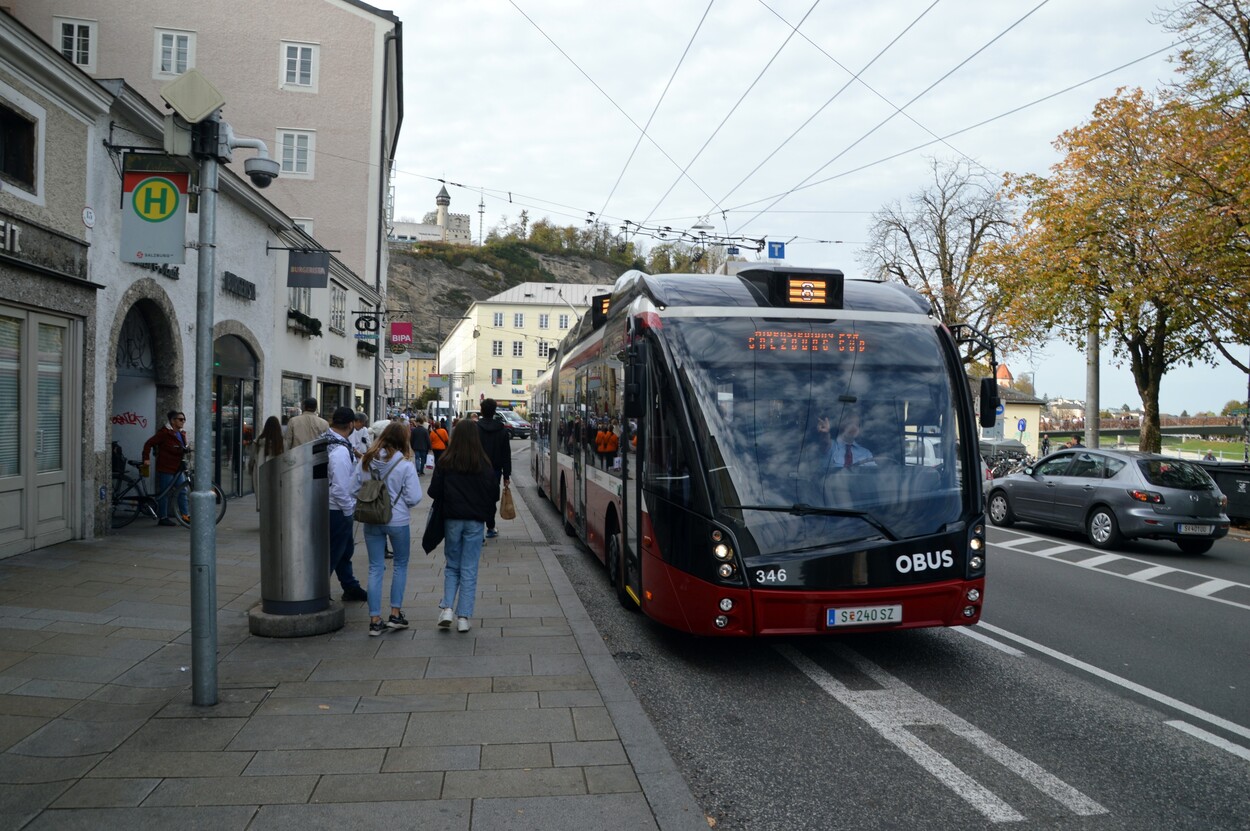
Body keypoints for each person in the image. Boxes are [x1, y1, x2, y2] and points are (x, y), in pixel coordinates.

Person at [429, 419, 498, 632]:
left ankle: (447, 608)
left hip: (452, 519)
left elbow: (433, 491)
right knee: (469, 568)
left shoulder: (446, 461)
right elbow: (493, 493)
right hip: (475, 521)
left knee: (452, 565)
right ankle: (464, 618)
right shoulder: (483, 463)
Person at [355, 422, 423, 636]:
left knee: (375, 568)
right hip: (397, 521)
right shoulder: (404, 465)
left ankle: (375, 620)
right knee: (400, 565)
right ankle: (395, 614)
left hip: (371, 520)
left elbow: (352, 488)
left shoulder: (366, 461)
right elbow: (415, 497)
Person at [323, 407, 367, 603]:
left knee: (343, 550)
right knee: (334, 551)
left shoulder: (327, 440)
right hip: (337, 509)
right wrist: (349, 511)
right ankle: (319, 592)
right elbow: (340, 487)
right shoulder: (340, 451)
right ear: (351, 425)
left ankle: (350, 586)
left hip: (329, 505)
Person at [141, 410, 190, 526]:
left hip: (178, 468)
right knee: (165, 493)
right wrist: (146, 459)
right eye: (180, 419)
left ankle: (185, 515)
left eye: (184, 419)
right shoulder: (164, 433)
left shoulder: (182, 433)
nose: (183, 422)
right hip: (166, 467)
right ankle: (163, 517)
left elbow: (181, 447)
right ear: (173, 421)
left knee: (183, 491)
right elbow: (148, 443)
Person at [476, 399, 512, 539]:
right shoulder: (502, 430)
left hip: (477, 470)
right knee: (491, 499)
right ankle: (490, 527)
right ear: (494, 411)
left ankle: (478, 530)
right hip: (494, 472)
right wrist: (507, 475)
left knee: (477, 498)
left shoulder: (476, 428)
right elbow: (506, 455)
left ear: (482, 411)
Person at [249, 416, 284, 512]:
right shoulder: (281, 442)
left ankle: (263, 512)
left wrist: (250, 468)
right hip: (277, 471)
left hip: (260, 470)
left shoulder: (258, 441)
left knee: (262, 492)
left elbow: (252, 457)